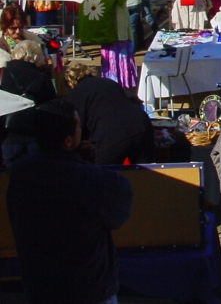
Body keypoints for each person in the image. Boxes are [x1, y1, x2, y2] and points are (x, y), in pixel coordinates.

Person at [7, 97, 133, 304]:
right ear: (68, 140)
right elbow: (119, 213)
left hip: (40, 287)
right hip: (88, 288)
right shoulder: (92, 180)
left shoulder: (21, 172)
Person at [65, 63, 155, 165]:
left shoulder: (77, 92)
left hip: (112, 135)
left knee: (104, 175)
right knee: (146, 174)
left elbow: (77, 124)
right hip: (141, 124)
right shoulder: (108, 82)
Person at [1, 40, 57, 169]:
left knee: (10, 179)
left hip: (9, 136)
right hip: (35, 137)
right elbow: (52, 107)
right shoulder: (42, 77)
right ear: (36, 56)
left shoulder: (3, 74)